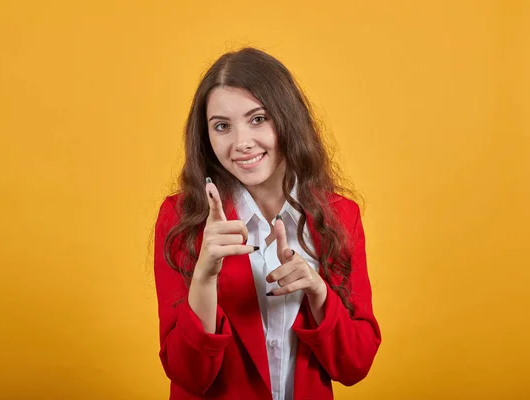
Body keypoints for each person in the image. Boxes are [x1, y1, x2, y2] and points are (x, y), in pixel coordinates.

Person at [153, 47, 381, 400]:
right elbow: (187, 375)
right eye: (222, 126)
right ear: (206, 136)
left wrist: (318, 292)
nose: (242, 143)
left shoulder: (339, 214)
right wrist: (204, 276)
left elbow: (356, 365)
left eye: (258, 119)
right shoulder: (181, 217)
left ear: (287, 119)